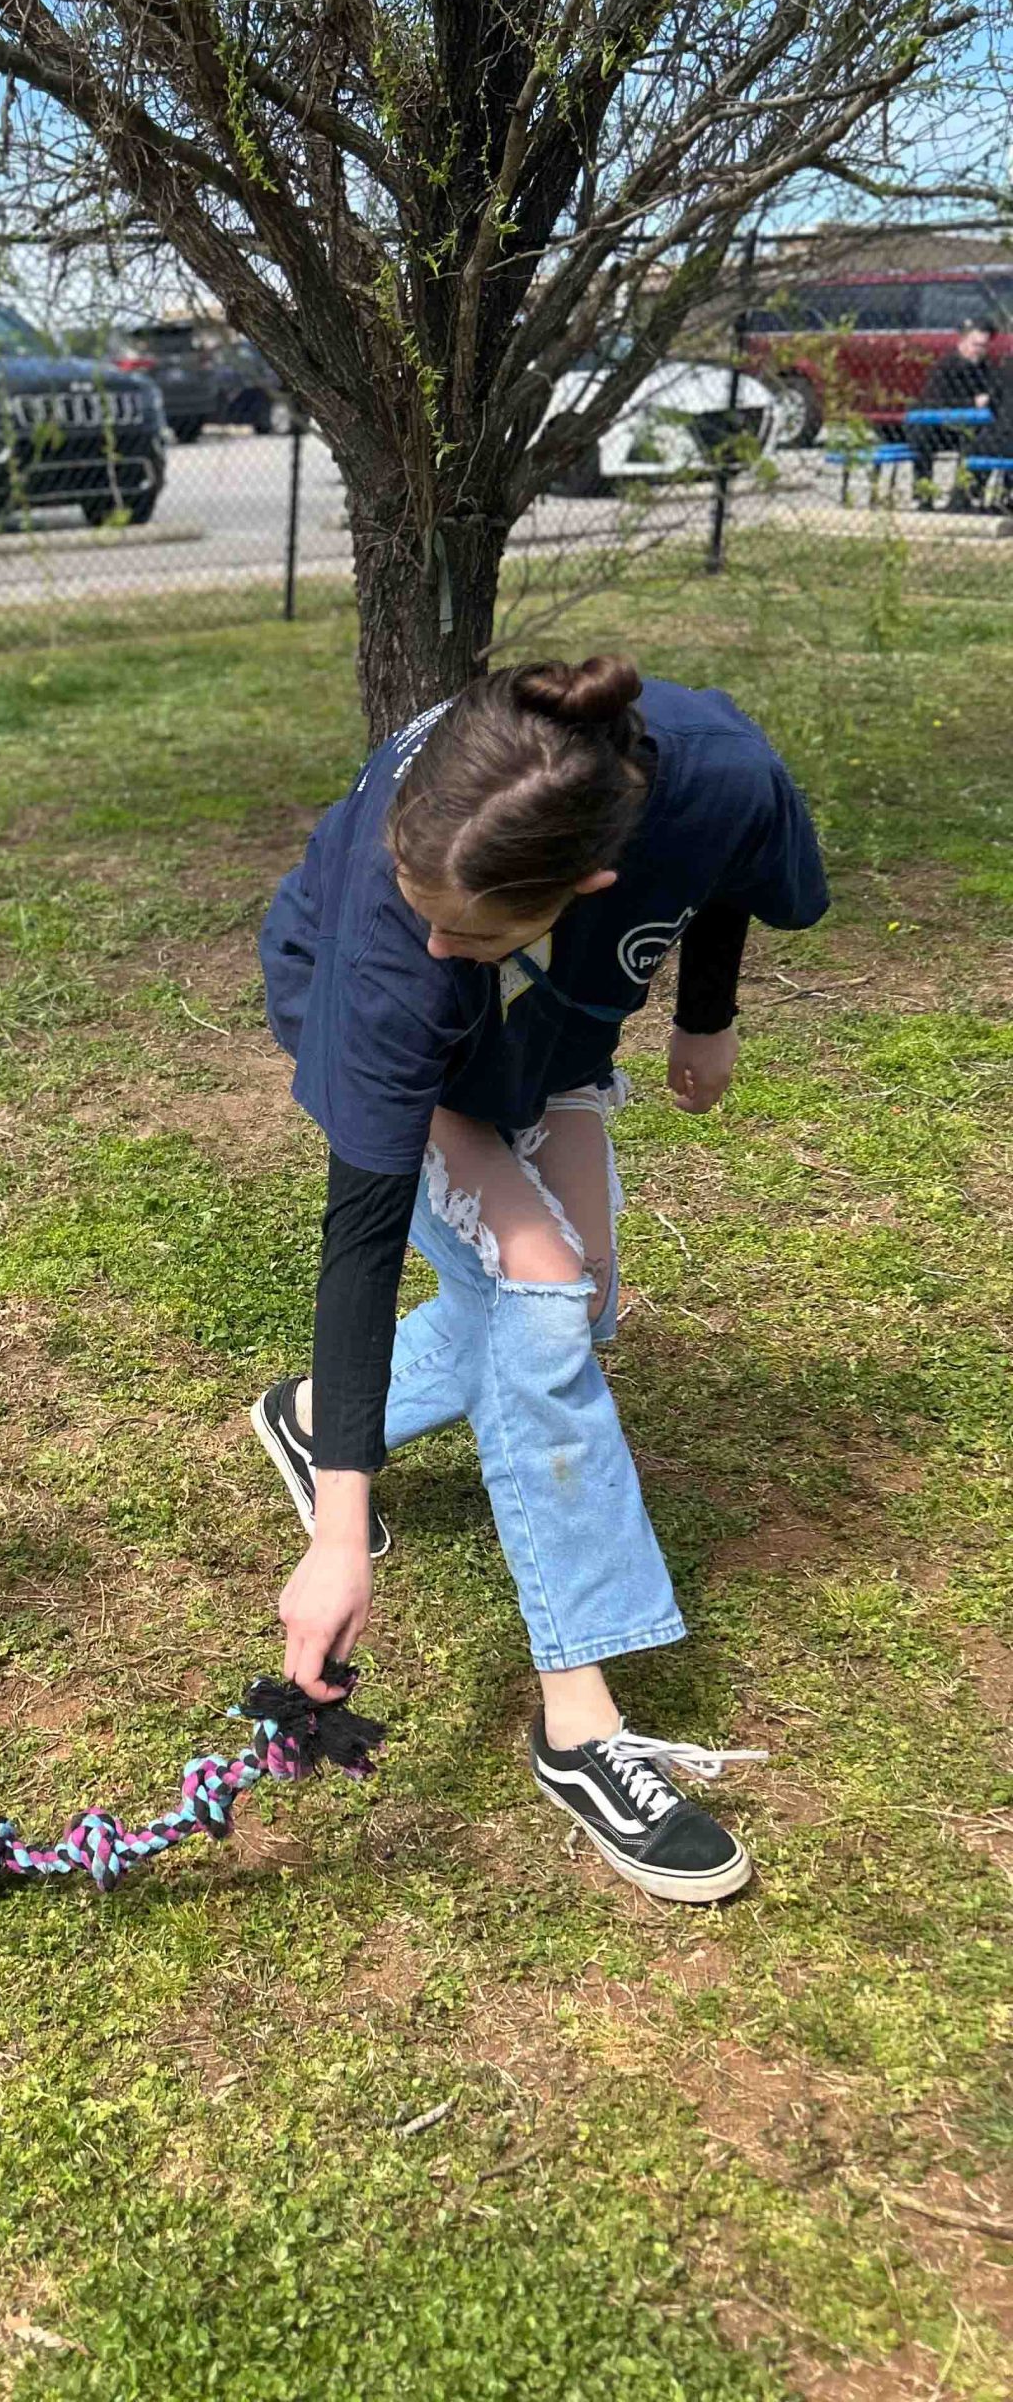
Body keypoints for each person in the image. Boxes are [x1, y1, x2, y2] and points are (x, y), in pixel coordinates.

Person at [252, 656, 828, 1903]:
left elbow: (725, 862)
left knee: (586, 1299)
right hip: (378, 1022)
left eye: (471, 928)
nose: (442, 939)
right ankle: (580, 1723)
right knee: (541, 1293)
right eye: (430, 909)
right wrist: (342, 1538)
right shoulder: (398, 951)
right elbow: (361, 1232)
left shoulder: (710, 770)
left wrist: (706, 1012)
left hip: (549, 1030)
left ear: (589, 883)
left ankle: (312, 1421)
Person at [911, 319, 1011, 507]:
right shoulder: (946, 366)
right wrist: (971, 402)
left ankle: (967, 495)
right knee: (921, 434)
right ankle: (923, 493)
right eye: (976, 345)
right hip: (941, 426)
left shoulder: (987, 368)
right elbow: (934, 402)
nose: (979, 350)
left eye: (984, 346)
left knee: (983, 439)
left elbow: (994, 396)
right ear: (962, 341)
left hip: (970, 426)